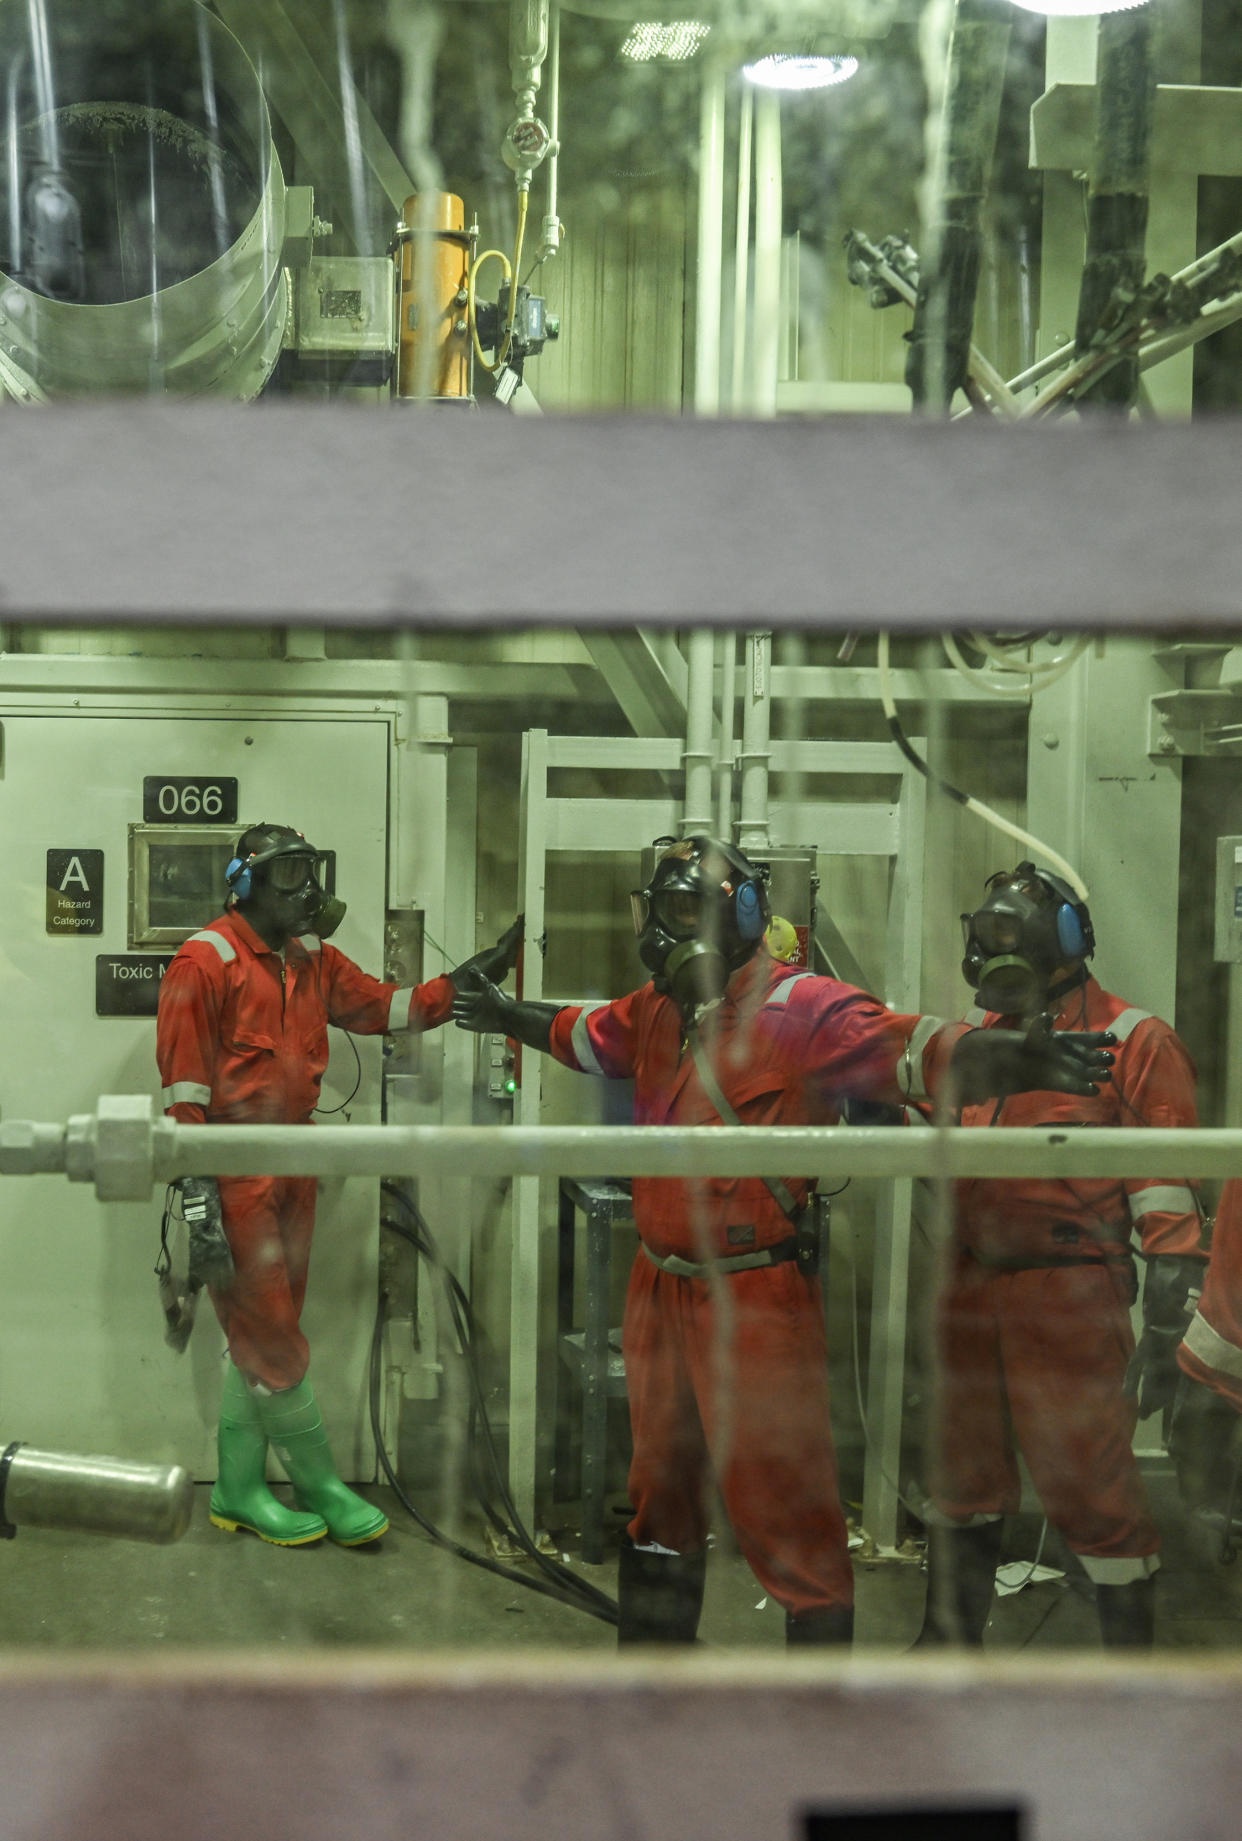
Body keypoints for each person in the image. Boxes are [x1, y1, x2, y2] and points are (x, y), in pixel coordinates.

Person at [451, 835, 1115, 1647]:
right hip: (659, 1284)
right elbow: (588, 1033)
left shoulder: (804, 1009)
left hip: (755, 1294)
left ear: (741, 915)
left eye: (684, 909)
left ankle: (811, 1705)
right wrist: (500, 1013)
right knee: (659, 1489)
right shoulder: (661, 1009)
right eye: (658, 909)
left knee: (782, 1497)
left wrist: (1017, 1056)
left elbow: (915, 1046)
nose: (662, 929)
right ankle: (653, 1673)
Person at [156, 821, 521, 1549]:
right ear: (244, 882)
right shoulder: (206, 960)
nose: (307, 888)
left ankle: (236, 1487)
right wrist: (199, 1194)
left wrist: (470, 978)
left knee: (265, 1326)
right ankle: (320, 1479)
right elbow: (184, 1092)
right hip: (234, 1171)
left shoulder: (311, 958)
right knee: (273, 1333)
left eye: (309, 869)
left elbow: (388, 1008)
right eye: (288, 872)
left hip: (296, 1165)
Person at [917, 862, 1205, 1651]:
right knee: (961, 1477)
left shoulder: (1133, 1039)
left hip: (1070, 1292)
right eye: (986, 935)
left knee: (1092, 1489)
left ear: (1067, 941)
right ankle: (949, 1642)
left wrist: (1167, 1328)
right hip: (971, 1283)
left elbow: (1168, 1189)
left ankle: (1126, 1679)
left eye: (1012, 934)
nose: (994, 952)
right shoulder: (979, 1048)